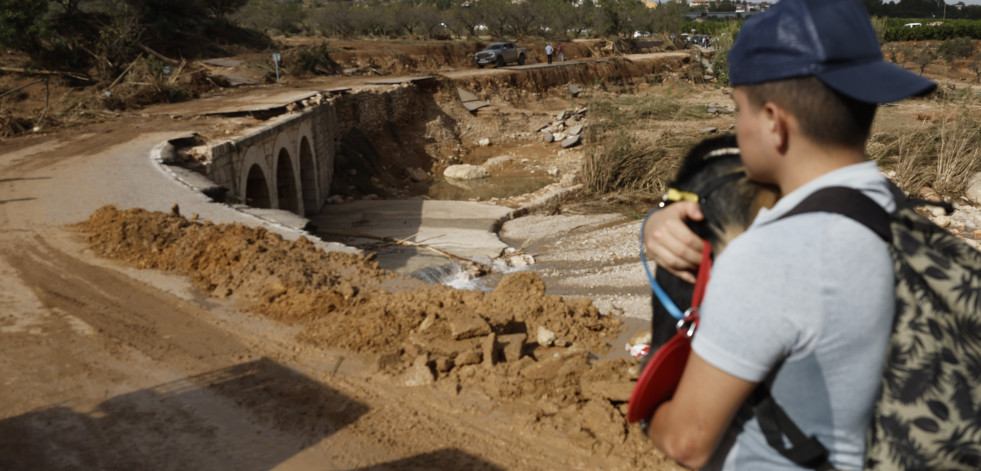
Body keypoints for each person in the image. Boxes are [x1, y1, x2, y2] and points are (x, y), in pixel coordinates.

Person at [640, 0, 936, 469]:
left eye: (739, 110)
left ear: (774, 123)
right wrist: (660, 219)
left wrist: (648, 407)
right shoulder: (901, 214)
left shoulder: (774, 258)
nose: (736, 128)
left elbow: (685, 442)